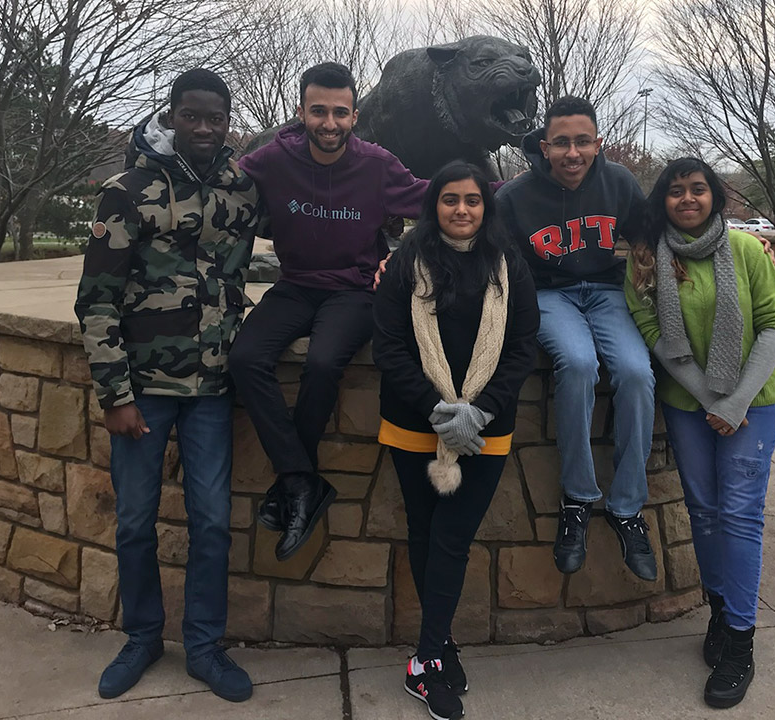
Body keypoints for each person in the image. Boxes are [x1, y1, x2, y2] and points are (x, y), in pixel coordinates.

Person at [75, 69, 262, 703]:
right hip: (145, 388)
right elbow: (97, 298)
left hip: (212, 388)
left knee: (211, 524)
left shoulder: (242, 190)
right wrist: (115, 394)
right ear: (173, 115)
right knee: (134, 521)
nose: (206, 128)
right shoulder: (126, 192)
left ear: (227, 120)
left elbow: (242, 265)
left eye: (217, 118)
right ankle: (142, 636)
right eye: (193, 116)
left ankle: (205, 646)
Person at [229, 62, 432, 561]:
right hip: (295, 284)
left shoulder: (377, 163)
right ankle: (300, 478)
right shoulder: (275, 157)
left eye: (340, 113)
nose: (329, 122)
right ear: (300, 112)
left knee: (322, 363)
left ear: (354, 116)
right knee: (244, 358)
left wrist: (506, 194)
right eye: (318, 111)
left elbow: (432, 196)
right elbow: (223, 183)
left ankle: (294, 483)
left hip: (355, 289)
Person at [372, 161, 539, 720]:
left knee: (450, 538)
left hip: (486, 431)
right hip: (414, 423)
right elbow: (390, 346)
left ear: (486, 205)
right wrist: (438, 409)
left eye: (472, 200)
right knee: (426, 534)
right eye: (450, 199)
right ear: (433, 204)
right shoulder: (405, 263)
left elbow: (522, 347)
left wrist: (481, 411)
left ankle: (423, 660)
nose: (462, 210)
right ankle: (439, 649)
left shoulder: (508, 262)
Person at [624, 157, 775, 708]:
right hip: (690, 405)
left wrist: (736, 401)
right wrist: (710, 398)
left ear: (715, 196)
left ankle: (740, 641)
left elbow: (774, 322)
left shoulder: (745, 250)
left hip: (753, 405)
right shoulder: (646, 258)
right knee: (704, 510)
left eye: (698, 189)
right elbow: (651, 331)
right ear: (662, 200)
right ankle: (718, 613)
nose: (687, 199)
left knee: (740, 515)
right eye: (675, 191)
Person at [494, 96, 658, 579]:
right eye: (561, 142)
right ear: (544, 147)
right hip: (548, 295)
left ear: (597, 144)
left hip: (606, 291)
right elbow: (495, 263)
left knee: (634, 371)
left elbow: (655, 233)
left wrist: (736, 239)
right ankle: (578, 499)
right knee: (579, 363)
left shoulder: (619, 182)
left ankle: (627, 507)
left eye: (582, 141)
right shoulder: (514, 198)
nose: (572, 152)